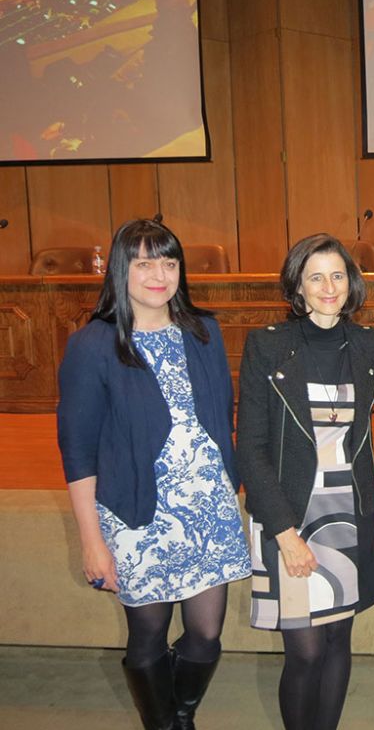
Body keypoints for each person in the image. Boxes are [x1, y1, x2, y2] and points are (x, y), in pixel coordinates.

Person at [57, 218, 251, 730]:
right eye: (144, 262)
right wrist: (91, 540)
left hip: (207, 507)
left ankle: (180, 712)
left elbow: (219, 419)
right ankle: (164, 723)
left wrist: (231, 495)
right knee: (148, 635)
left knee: (206, 635)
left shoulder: (203, 331)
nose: (159, 274)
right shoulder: (92, 345)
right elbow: (77, 453)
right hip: (138, 512)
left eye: (168, 261)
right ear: (122, 269)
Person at [236, 234, 374, 730]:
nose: (329, 286)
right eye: (315, 276)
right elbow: (252, 448)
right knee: (305, 651)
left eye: (338, 275)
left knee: (336, 643)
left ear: (351, 283)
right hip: (289, 513)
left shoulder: (368, 344)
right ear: (298, 287)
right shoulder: (268, 345)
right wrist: (285, 533)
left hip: (349, 514)